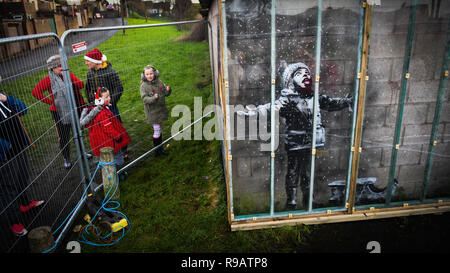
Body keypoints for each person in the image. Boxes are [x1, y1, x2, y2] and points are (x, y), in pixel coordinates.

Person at [238, 62, 353, 210]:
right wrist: (252, 113)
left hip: (311, 142)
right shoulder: (288, 99)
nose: (305, 75)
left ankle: (308, 200)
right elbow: (271, 108)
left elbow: (330, 103)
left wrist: (346, 102)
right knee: (293, 172)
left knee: (307, 173)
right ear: (291, 81)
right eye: (299, 74)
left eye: (306, 73)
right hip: (295, 143)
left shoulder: (315, 97)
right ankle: (291, 201)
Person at [32, 54, 89, 169]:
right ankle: (66, 158)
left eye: (62, 65)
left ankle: (82, 152)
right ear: (52, 68)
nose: (61, 68)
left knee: (77, 132)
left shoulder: (67, 74)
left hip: (73, 107)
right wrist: (51, 102)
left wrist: (69, 79)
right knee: (64, 136)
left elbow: (81, 85)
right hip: (58, 111)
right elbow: (36, 92)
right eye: (58, 66)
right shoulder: (49, 80)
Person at [0, 92, 44, 236]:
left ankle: (25, 203)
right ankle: (14, 222)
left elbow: (23, 109)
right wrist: (6, 147)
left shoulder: (3, 96)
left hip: (19, 145)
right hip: (6, 155)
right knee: (9, 187)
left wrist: (7, 99)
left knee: (22, 176)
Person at [84, 49, 128, 159]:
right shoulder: (90, 73)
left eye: (88, 61)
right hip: (97, 109)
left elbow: (119, 87)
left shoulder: (110, 71)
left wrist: (111, 101)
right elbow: (87, 89)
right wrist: (92, 100)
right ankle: (109, 150)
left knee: (116, 126)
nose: (86, 63)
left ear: (95, 61)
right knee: (103, 130)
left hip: (110, 107)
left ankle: (123, 150)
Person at [82, 87, 130, 173]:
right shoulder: (102, 114)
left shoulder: (96, 110)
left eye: (109, 96)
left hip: (103, 141)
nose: (109, 98)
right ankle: (120, 173)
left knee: (107, 160)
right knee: (118, 156)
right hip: (111, 141)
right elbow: (108, 128)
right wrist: (118, 136)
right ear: (99, 100)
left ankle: (110, 173)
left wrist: (106, 105)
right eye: (106, 97)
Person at [140, 65, 172, 156]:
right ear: (144, 75)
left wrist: (168, 90)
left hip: (160, 110)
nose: (149, 76)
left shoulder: (159, 82)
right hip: (152, 113)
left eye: (151, 73)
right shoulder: (144, 86)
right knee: (157, 131)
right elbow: (145, 99)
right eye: (147, 74)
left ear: (154, 73)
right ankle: (157, 151)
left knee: (159, 130)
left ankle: (160, 149)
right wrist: (154, 98)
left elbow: (165, 93)